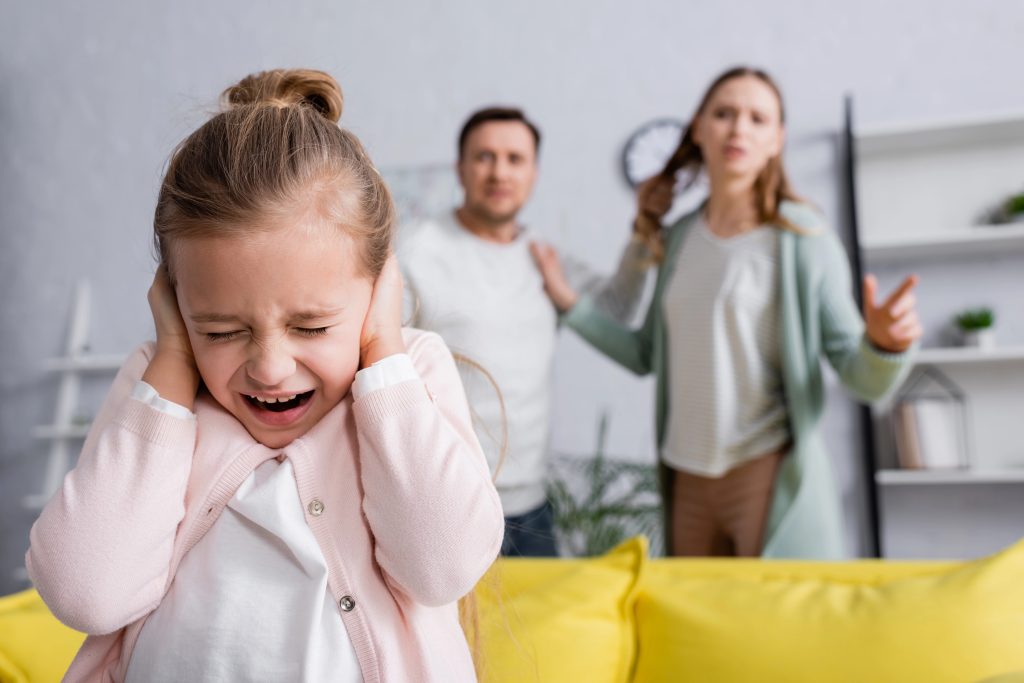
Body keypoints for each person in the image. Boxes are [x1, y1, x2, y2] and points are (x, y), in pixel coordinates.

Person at [26, 69, 503, 682]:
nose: (271, 368)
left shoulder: (408, 374)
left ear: (379, 289)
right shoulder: (162, 386)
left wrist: (384, 353)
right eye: (221, 331)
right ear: (175, 304)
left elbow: (443, 568)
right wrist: (173, 362)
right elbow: (85, 593)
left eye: (311, 328)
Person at [530, 66, 922, 559]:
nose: (739, 128)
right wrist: (568, 303)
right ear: (698, 129)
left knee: (773, 629)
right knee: (698, 630)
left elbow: (863, 379)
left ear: (777, 140)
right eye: (724, 114)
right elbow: (645, 353)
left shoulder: (803, 239)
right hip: (686, 479)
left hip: (765, 474)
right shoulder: (679, 238)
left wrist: (886, 344)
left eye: (758, 119)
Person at [398, 107, 651, 557]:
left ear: (534, 173)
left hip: (531, 505)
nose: (500, 172)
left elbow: (617, 311)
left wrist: (644, 236)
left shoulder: (543, 258)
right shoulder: (414, 250)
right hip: (447, 502)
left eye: (515, 159)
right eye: (484, 157)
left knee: (536, 630)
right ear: (460, 168)